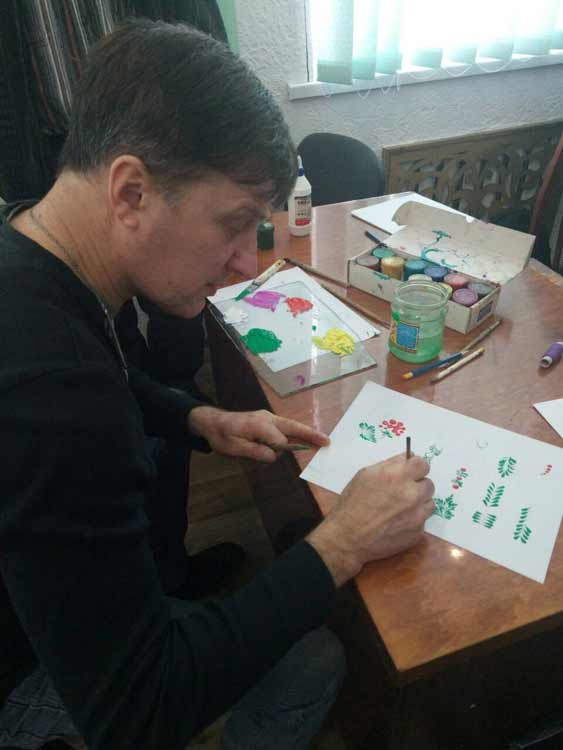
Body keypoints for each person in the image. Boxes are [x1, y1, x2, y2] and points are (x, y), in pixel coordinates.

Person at [0, 19, 435, 750]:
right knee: (313, 662)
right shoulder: (55, 398)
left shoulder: (30, 245)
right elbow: (139, 712)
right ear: (131, 191)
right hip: (23, 668)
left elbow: (109, 374)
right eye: (234, 225)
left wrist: (199, 418)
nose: (243, 263)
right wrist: (342, 543)